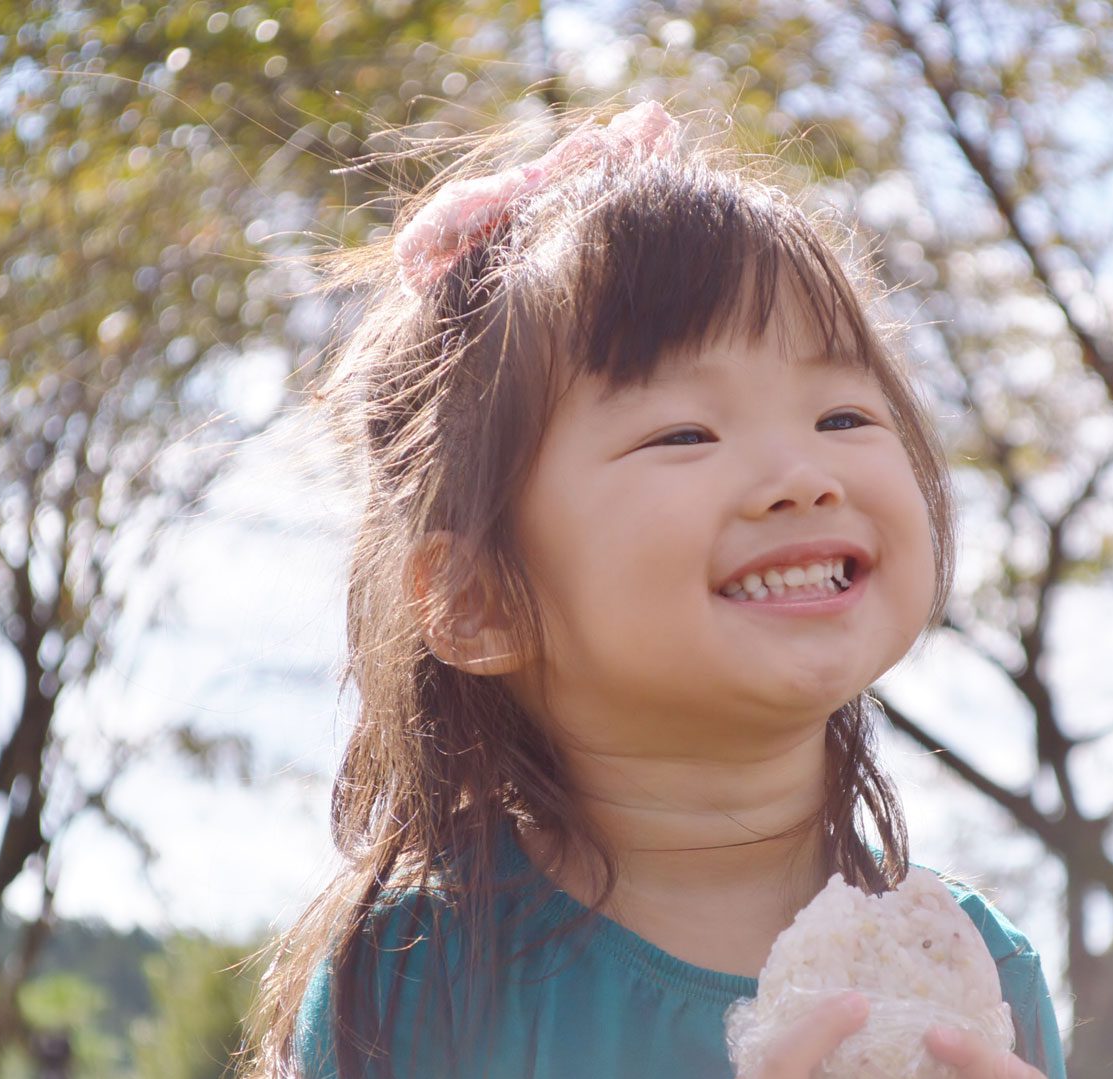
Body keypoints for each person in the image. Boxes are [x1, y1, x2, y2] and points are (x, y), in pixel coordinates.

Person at [240, 100, 1068, 1079]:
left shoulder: (975, 972)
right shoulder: (420, 973)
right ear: (479, 600)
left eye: (844, 414)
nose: (804, 475)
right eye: (685, 433)